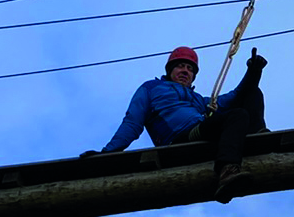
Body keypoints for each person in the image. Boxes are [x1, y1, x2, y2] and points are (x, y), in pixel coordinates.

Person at [86, 45, 268, 202]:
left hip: (202, 131)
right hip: (180, 140)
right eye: (180, 66)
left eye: (189, 69)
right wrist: (108, 153)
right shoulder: (151, 88)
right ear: (170, 70)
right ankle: (227, 171)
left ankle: (258, 135)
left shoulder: (199, 100)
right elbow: (132, 123)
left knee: (252, 93)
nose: (185, 71)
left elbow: (234, 97)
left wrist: (253, 72)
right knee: (236, 115)